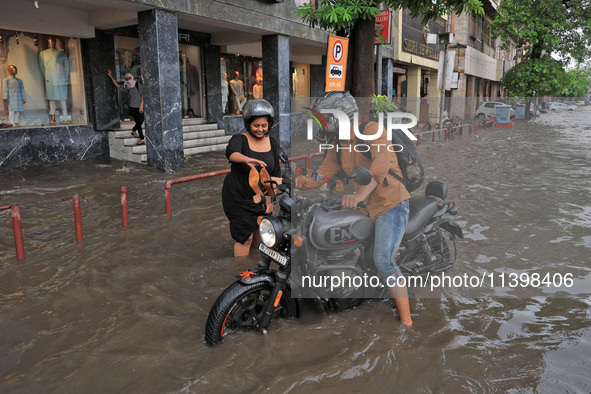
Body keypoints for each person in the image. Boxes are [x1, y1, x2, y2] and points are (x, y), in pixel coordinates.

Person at [296, 91, 413, 327]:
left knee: (383, 261)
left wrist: (359, 194)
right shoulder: (337, 143)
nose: (321, 124)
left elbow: (380, 165)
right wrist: (294, 182)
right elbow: (324, 173)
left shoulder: (372, 131)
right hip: (364, 206)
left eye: (323, 119)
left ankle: (407, 323)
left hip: (391, 204)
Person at [222, 99, 282, 257]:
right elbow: (231, 153)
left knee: (260, 234)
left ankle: (254, 267)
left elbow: (275, 173)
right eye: (256, 125)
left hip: (261, 196)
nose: (260, 129)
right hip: (239, 196)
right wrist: (246, 159)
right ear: (248, 124)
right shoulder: (239, 139)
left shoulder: (273, 143)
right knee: (245, 238)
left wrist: (270, 202)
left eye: (264, 125)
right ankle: (239, 273)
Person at [107, 69, 145, 145]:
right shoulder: (127, 87)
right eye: (126, 79)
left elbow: (142, 95)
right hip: (132, 107)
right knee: (138, 122)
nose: (128, 80)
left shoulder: (138, 85)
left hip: (139, 106)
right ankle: (142, 138)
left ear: (132, 77)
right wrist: (111, 76)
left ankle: (133, 130)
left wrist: (141, 106)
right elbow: (118, 85)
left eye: (129, 78)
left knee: (141, 121)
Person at [39, 37, 69, 123]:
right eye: (49, 41)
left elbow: (67, 67)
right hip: (50, 79)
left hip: (61, 79)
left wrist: (65, 78)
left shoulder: (62, 54)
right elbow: (41, 67)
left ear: (55, 42)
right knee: (51, 99)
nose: (51, 43)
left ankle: (65, 117)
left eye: (53, 41)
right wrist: (46, 77)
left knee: (62, 99)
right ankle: (53, 117)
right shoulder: (43, 53)